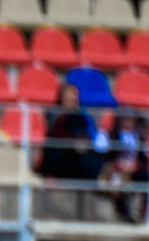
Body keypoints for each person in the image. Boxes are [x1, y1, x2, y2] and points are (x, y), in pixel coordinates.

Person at [36, 81, 106, 219]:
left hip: (79, 156)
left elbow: (91, 137)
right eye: (69, 94)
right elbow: (53, 138)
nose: (72, 97)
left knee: (96, 157)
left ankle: (102, 181)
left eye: (74, 94)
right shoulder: (53, 115)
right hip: (59, 156)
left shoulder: (83, 116)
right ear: (62, 96)